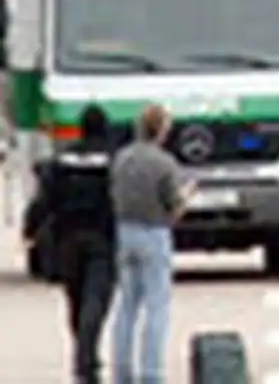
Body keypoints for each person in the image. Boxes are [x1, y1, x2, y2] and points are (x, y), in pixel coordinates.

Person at [22, 105, 117, 384]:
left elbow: (44, 200)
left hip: (67, 241)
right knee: (96, 301)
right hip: (101, 239)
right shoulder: (112, 162)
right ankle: (86, 360)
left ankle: (84, 356)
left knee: (75, 300)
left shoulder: (62, 162)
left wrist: (30, 228)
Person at [109, 104, 193, 384]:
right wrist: (186, 197)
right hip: (154, 232)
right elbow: (173, 206)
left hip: (124, 230)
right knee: (157, 305)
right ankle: (151, 371)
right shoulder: (164, 163)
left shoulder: (121, 159)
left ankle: (121, 370)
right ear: (162, 131)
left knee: (127, 305)